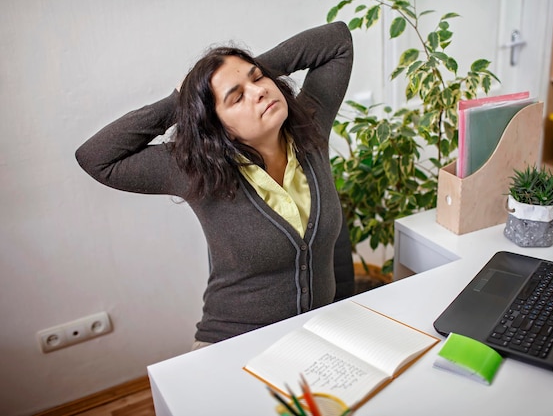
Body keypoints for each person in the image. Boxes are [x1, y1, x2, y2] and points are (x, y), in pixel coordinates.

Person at [75, 22, 355, 348]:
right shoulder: (197, 170)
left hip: (314, 338)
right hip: (231, 346)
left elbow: (337, 41)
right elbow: (95, 158)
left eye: (259, 78)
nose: (259, 91)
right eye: (236, 98)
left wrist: (240, 71)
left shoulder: (311, 129)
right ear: (217, 125)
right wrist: (182, 100)